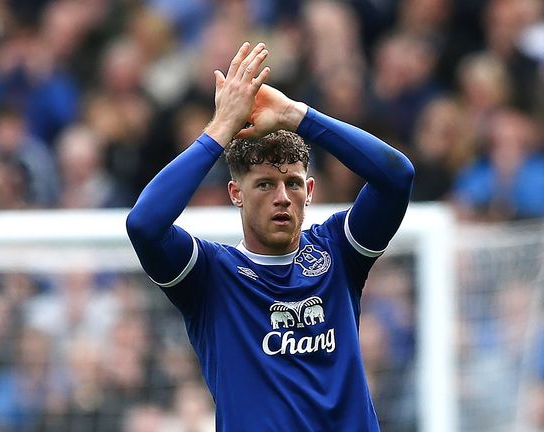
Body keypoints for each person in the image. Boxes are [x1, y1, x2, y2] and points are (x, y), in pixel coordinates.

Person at [126, 42, 415, 430]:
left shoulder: (338, 251)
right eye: (264, 185)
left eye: (293, 184)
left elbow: (397, 177)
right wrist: (220, 129)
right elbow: (143, 224)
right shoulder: (210, 276)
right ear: (236, 194)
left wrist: (296, 115)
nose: (282, 198)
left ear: (310, 192)